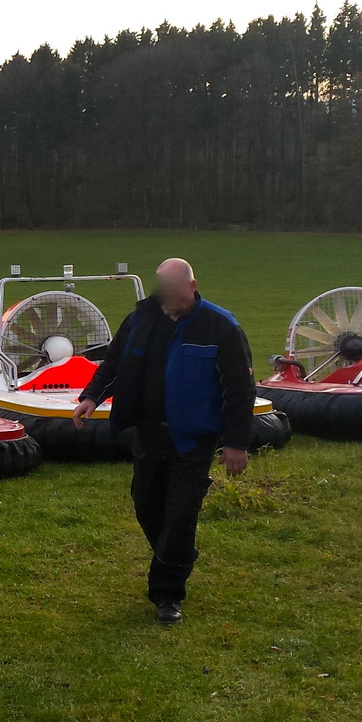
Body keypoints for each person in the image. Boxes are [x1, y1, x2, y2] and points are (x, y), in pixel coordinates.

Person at [72, 258, 255, 626]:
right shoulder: (140, 321)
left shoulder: (221, 326)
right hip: (149, 430)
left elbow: (239, 389)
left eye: (173, 292)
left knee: (181, 514)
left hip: (194, 437)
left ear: (192, 286)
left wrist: (237, 443)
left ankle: (167, 595)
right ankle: (180, 556)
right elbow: (113, 363)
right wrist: (91, 397)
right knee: (146, 505)